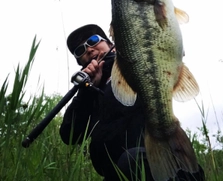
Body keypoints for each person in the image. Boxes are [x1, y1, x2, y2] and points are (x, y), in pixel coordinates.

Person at [59, 23, 205, 181]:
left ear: (110, 44)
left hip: (162, 165)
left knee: (132, 160)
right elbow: (69, 135)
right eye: (80, 50)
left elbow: (163, 46)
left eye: (94, 40)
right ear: (80, 63)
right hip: (118, 174)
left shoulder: (133, 64)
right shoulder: (89, 94)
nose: (88, 49)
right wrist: (86, 92)